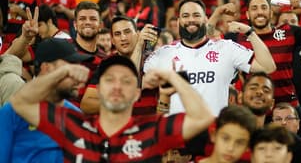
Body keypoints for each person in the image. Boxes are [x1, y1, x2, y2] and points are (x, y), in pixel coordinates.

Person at [9, 55, 214, 162]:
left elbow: (203, 117)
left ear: (136, 94)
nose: (117, 86)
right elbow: (20, 102)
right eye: (109, 80)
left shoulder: (152, 130)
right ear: (98, 89)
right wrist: (60, 72)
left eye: (126, 81)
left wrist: (171, 77)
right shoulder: (73, 124)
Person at [144, 0, 276, 116]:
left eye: (196, 15)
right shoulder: (163, 54)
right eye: (186, 15)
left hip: (213, 135)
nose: (191, 20)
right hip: (177, 136)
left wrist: (250, 33)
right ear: (178, 22)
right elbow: (135, 81)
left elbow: (267, 67)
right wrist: (139, 45)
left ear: (206, 20)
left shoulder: (226, 48)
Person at [0, 38, 93, 162]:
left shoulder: (76, 117)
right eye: (70, 67)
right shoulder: (14, 113)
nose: (77, 76)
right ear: (47, 68)